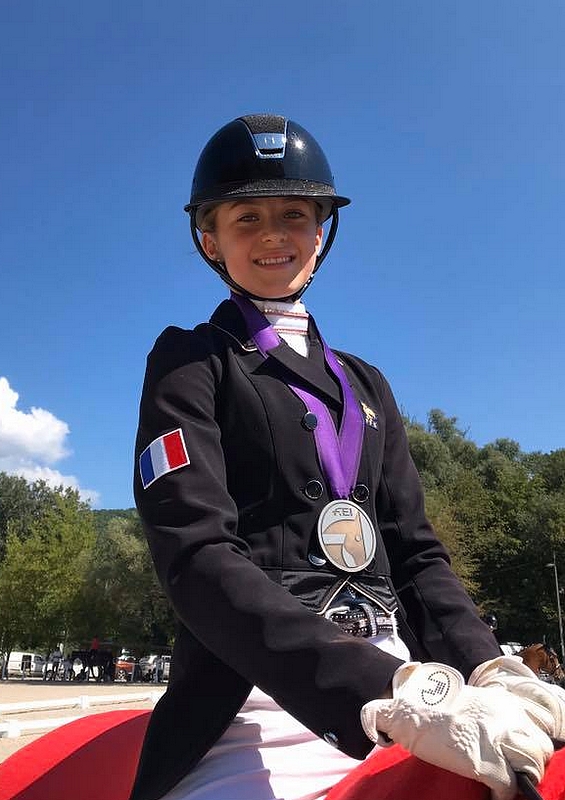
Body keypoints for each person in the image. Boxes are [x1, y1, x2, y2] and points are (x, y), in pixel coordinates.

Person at [130, 115, 565, 800]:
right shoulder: (190, 361)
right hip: (263, 701)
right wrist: (378, 689)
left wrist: (488, 668)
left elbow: (415, 553)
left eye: (294, 215)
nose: (274, 235)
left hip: (421, 691)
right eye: (247, 218)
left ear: (321, 231)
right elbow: (194, 554)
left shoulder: (365, 384)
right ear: (208, 239)